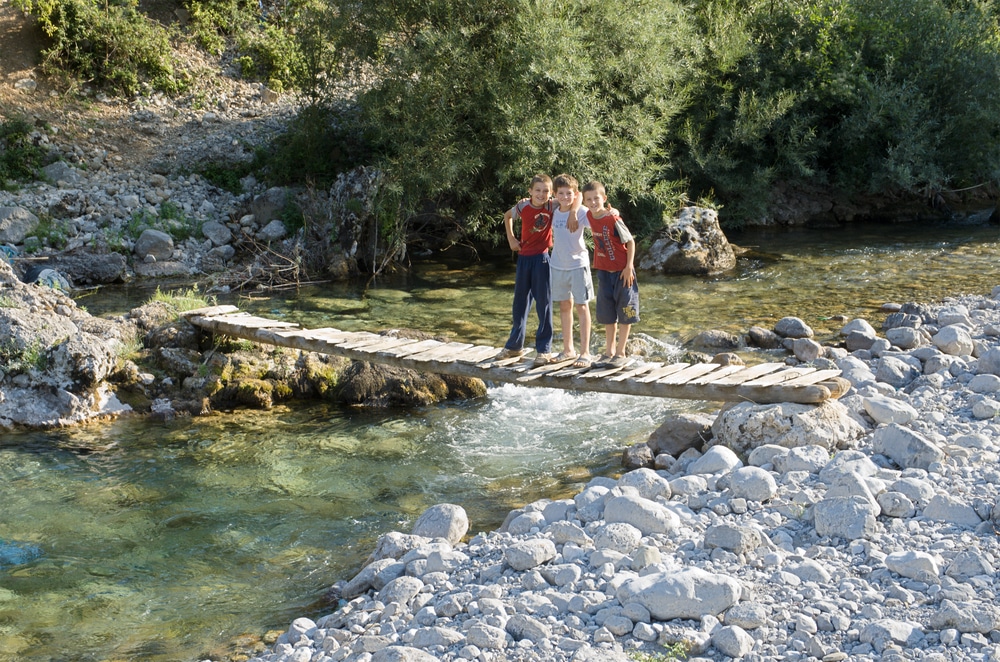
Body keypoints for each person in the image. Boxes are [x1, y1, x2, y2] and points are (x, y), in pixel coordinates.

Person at [581, 180, 639, 368]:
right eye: (589, 199)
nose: (593, 202)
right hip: (604, 273)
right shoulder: (588, 215)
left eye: (596, 198)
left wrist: (629, 267)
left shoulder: (613, 219)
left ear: (604, 198)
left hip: (623, 273)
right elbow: (566, 201)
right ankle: (609, 352)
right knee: (607, 313)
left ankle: (621, 353)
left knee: (626, 311)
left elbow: (630, 242)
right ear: (584, 201)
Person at [501, 174, 556, 365]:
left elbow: (576, 195)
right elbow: (507, 216)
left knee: (544, 305)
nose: (541, 194)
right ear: (530, 191)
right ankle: (514, 346)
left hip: (542, 259)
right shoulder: (523, 206)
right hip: (524, 259)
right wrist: (511, 239)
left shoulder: (552, 206)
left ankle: (544, 349)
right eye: (537, 190)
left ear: (551, 193)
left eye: (546, 191)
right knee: (520, 304)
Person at [549, 174, 594, 368]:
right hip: (558, 265)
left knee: (582, 307)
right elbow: (536, 201)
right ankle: (568, 350)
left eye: (569, 193)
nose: (565, 197)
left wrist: (612, 211)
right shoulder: (553, 209)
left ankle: (585, 352)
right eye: (561, 193)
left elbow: (598, 217)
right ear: (555, 194)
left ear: (575, 194)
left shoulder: (582, 212)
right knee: (564, 306)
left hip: (578, 265)